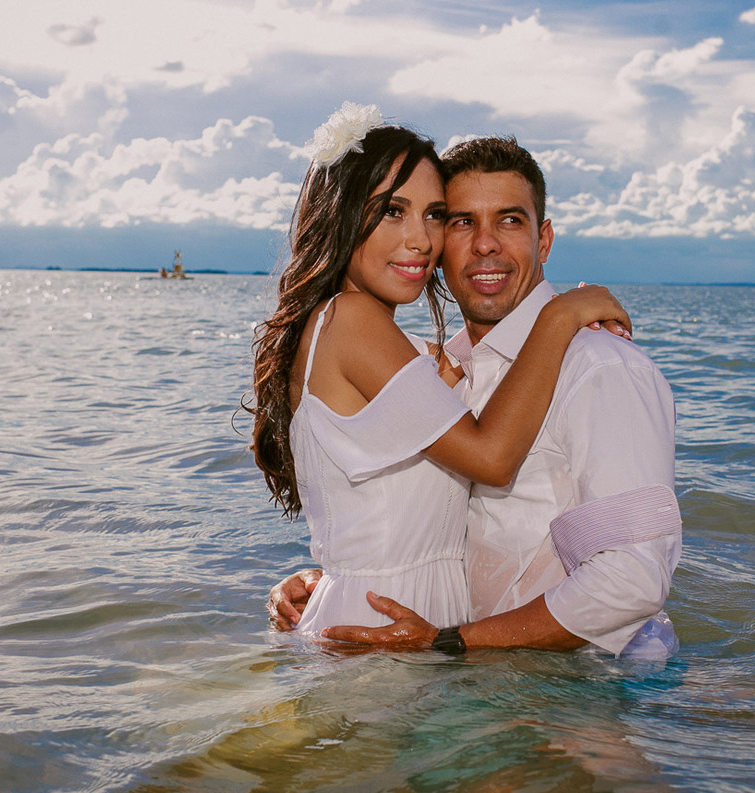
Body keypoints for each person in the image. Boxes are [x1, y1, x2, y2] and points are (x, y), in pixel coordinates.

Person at [271, 135, 682, 658]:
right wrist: (337, 579)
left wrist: (445, 638)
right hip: (444, 671)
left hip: (563, 689)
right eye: (462, 220)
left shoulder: (599, 366)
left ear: (545, 241)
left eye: (510, 220)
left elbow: (633, 578)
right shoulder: (440, 367)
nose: (484, 243)